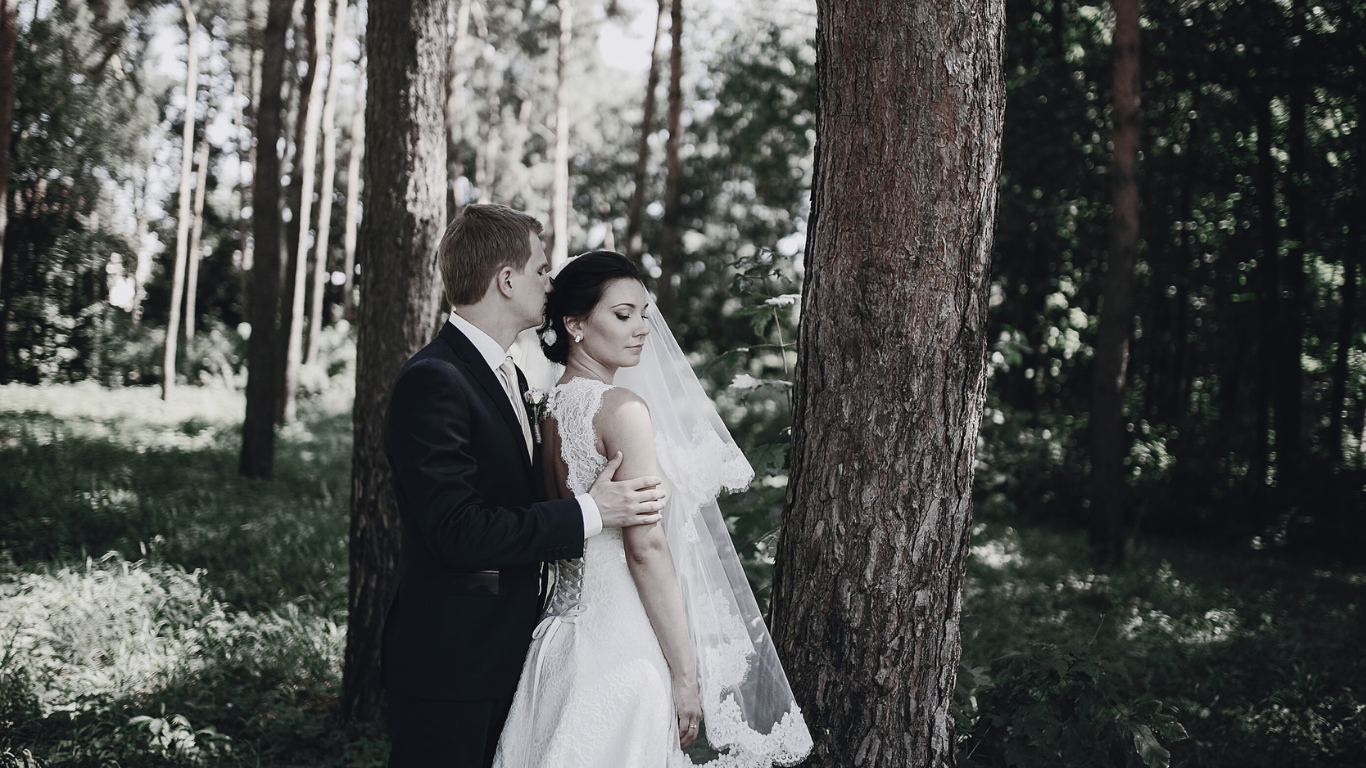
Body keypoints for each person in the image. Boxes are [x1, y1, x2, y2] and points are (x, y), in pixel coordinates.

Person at [492, 251, 812, 768]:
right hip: (620, 645)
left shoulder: (552, 406)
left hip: (559, 637)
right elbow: (646, 547)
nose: (641, 328)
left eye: (644, 313)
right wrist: (685, 676)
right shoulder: (622, 410)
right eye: (623, 315)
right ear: (575, 324)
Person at [382, 206, 668, 768]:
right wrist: (591, 511)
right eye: (542, 270)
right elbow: (457, 532)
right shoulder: (434, 379)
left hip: (510, 650)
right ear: (506, 280)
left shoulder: (508, 374)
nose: (552, 283)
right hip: (452, 661)